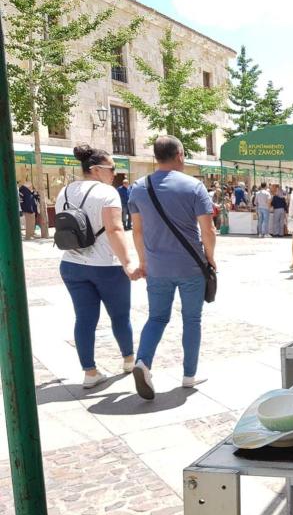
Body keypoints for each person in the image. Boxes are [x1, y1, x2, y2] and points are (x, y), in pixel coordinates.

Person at [128, 135, 216, 400]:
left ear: (156, 156)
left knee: (157, 318)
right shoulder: (194, 186)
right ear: (179, 154)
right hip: (190, 266)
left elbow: (137, 230)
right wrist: (210, 258)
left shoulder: (139, 188)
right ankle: (189, 375)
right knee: (192, 319)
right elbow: (208, 230)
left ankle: (143, 362)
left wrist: (142, 261)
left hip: (157, 267)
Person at [58, 145, 141, 388]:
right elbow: (115, 229)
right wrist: (128, 262)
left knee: (84, 319)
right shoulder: (107, 193)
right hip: (106, 264)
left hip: (72, 263)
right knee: (120, 316)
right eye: (112, 168)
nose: (115, 173)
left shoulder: (65, 190)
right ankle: (128, 360)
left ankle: (90, 372)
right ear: (95, 169)